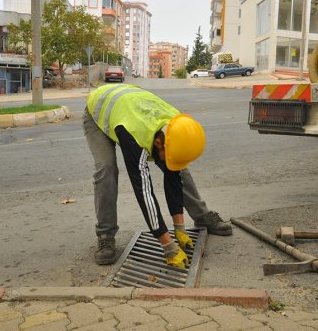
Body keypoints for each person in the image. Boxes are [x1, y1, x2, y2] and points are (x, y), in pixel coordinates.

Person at [83, 83, 231, 267]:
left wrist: (179, 228)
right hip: (98, 113)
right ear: (160, 143)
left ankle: (201, 215)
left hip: (130, 107)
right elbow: (144, 193)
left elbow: (174, 174)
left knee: (177, 163)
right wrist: (168, 245)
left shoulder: (175, 124)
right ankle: (105, 234)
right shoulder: (134, 138)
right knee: (106, 169)